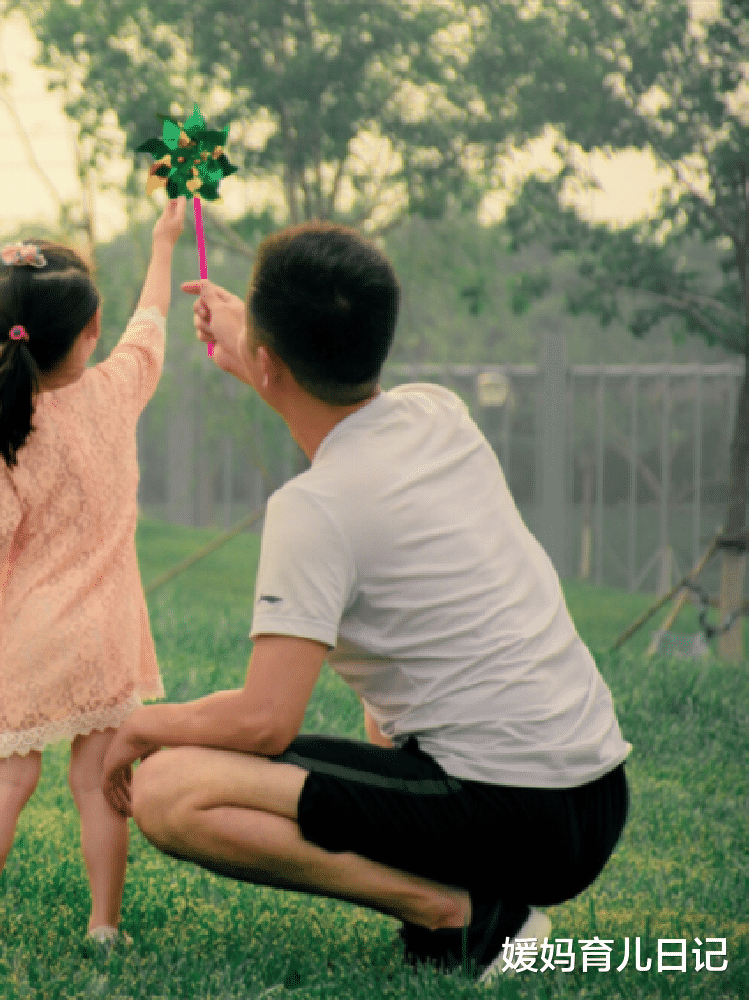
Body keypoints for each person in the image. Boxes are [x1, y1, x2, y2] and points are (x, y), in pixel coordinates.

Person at [100, 221, 631, 980]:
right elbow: (337, 408)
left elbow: (264, 720)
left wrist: (141, 725)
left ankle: (463, 915)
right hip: (595, 796)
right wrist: (255, 349)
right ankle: (467, 895)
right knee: (381, 687)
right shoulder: (438, 413)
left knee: (169, 791)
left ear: (270, 360)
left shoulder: (313, 510)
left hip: (512, 813)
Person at [0, 198, 186, 947]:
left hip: (34, 633)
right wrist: (164, 242)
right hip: (106, 628)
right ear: (91, 328)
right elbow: (153, 320)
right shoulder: (117, 391)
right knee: (97, 784)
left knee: (7, 777)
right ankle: (103, 926)